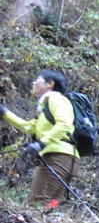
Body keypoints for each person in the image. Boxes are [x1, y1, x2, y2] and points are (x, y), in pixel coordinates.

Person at [0, 69, 80, 206]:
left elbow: (64, 125)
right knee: (51, 204)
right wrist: (4, 112)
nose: (33, 82)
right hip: (65, 160)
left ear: (50, 84)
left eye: (37, 79)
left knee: (37, 202)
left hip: (59, 159)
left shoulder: (57, 99)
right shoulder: (45, 109)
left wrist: (41, 144)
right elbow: (27, 127)